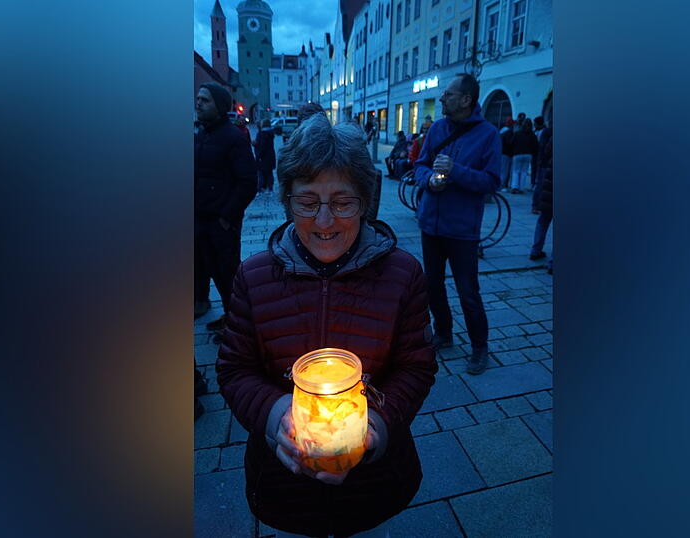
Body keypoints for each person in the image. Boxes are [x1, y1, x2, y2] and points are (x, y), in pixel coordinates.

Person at [216, 114, 438, 537]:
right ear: (287, 199)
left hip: (375, 481)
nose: (324, 222)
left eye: (342, 202)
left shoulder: (403, 274)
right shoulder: (254, 276)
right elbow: (234, 369)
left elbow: (417, 366)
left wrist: (376, 425)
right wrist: (275, 413)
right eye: (307, 201)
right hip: (283, 482)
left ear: (365, 201)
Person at [413, 73, 501, 375]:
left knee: (468, 291)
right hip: (431, 224)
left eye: (448, 94)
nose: (442, 99)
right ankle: (444, 333)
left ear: (466, 99)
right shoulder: (437, 128)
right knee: (432, 286)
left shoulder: (488, 134)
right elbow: (420, 165)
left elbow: (491, 182)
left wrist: (456, 171)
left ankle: (480, 347)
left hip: (463, 230)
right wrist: (429, 182)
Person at [194, 83, 258, 324]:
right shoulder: (201, 134)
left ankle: (238, 321)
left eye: (205, 100)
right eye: (198, 99)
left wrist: (226, 217)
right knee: (199, 265)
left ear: (220, 107)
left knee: (227, 274)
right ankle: (205, 304)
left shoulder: (233, 138)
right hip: (199, 219)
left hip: (221, 223)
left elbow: (248, 182)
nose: (198, 103)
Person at [530, 124, 553, 262]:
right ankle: (553, 263)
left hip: (549, 183)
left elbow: (545, 152)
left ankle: (535, 250)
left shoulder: (551, 134)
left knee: (543, 220)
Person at [510, 118, 538, 194]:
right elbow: (535, 146)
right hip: (528, 154)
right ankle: (521, 188)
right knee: (524, 171)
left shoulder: (517, 133)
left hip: (517, 154)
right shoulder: (532, 135)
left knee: (516, 171)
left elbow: (512, 143)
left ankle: (515, 187)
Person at [255, 119, 276, 193]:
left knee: (261, 173)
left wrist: (259, 155)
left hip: (263, 157)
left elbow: (263, 146)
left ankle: (260, 188)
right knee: (269, 172)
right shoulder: (270, 133)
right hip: (270, 156)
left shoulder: (263, 133)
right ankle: (270, 188)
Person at [499, 118, 515, 192]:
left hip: (502, 153)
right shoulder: (509, 132)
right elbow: (509, 143)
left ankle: (502, 185)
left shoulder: (502, 131)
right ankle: (502, 185)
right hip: (507, 153)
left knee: (503, 170)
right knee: (505, 171)